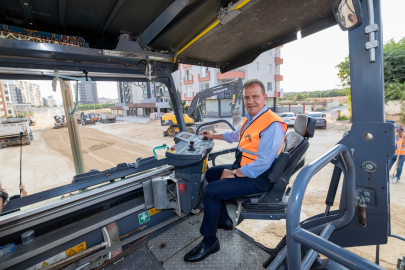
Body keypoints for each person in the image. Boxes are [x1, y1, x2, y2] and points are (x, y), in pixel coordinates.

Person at [184, 79, 287, 262]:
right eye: (247, 97)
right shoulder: (251, 118)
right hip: (246, 169)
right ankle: (224, 220)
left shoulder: (273, 124)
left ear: (264, 98)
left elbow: (263, 163)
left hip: (259, 178)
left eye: (255, 96)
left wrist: (234, 173)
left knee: (211, 192)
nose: (250, 101)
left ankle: (209, 242)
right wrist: (213, 135)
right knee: (211, 173)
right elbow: (235, 135)